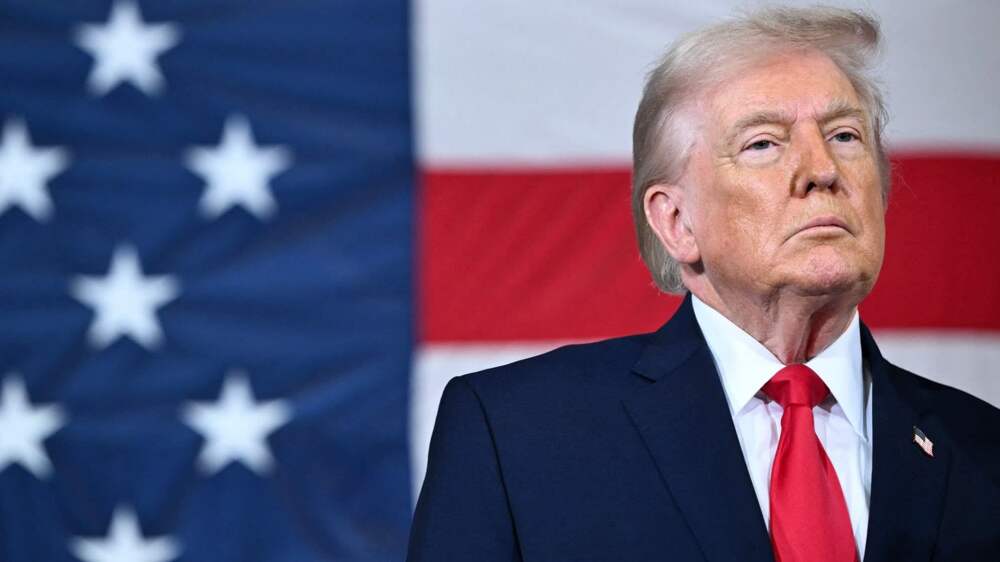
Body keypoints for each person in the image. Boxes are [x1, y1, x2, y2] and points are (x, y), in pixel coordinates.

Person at [407, 7, 1000, 562]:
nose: (823, 170)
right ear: (677, 222)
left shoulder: (983, 448)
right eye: (763, 143)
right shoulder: (518, 433)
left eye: (845, 135)